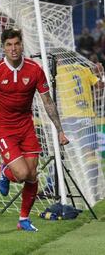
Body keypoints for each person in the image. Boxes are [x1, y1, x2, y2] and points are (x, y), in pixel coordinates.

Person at [0, 28, 69, 232]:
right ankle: (5, 172)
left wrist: (59, 130)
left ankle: (23, 219)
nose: (13, 48)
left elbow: (48, 102)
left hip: (26, 126)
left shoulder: (35, 70)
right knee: (23, 173)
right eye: (9, 45)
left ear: (22, 44)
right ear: (3, 47)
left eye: (16, 44)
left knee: (33, 174)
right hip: (2, 128)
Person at [55, 49, 105, 203]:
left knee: (59, 153)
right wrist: (101, 72)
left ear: (60, 60)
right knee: (90, 155)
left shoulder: (57, 71)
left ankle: (53, 186)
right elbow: (100, 86)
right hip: (87, 117)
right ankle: (93, 192)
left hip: (69, 119)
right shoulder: (84, 70)